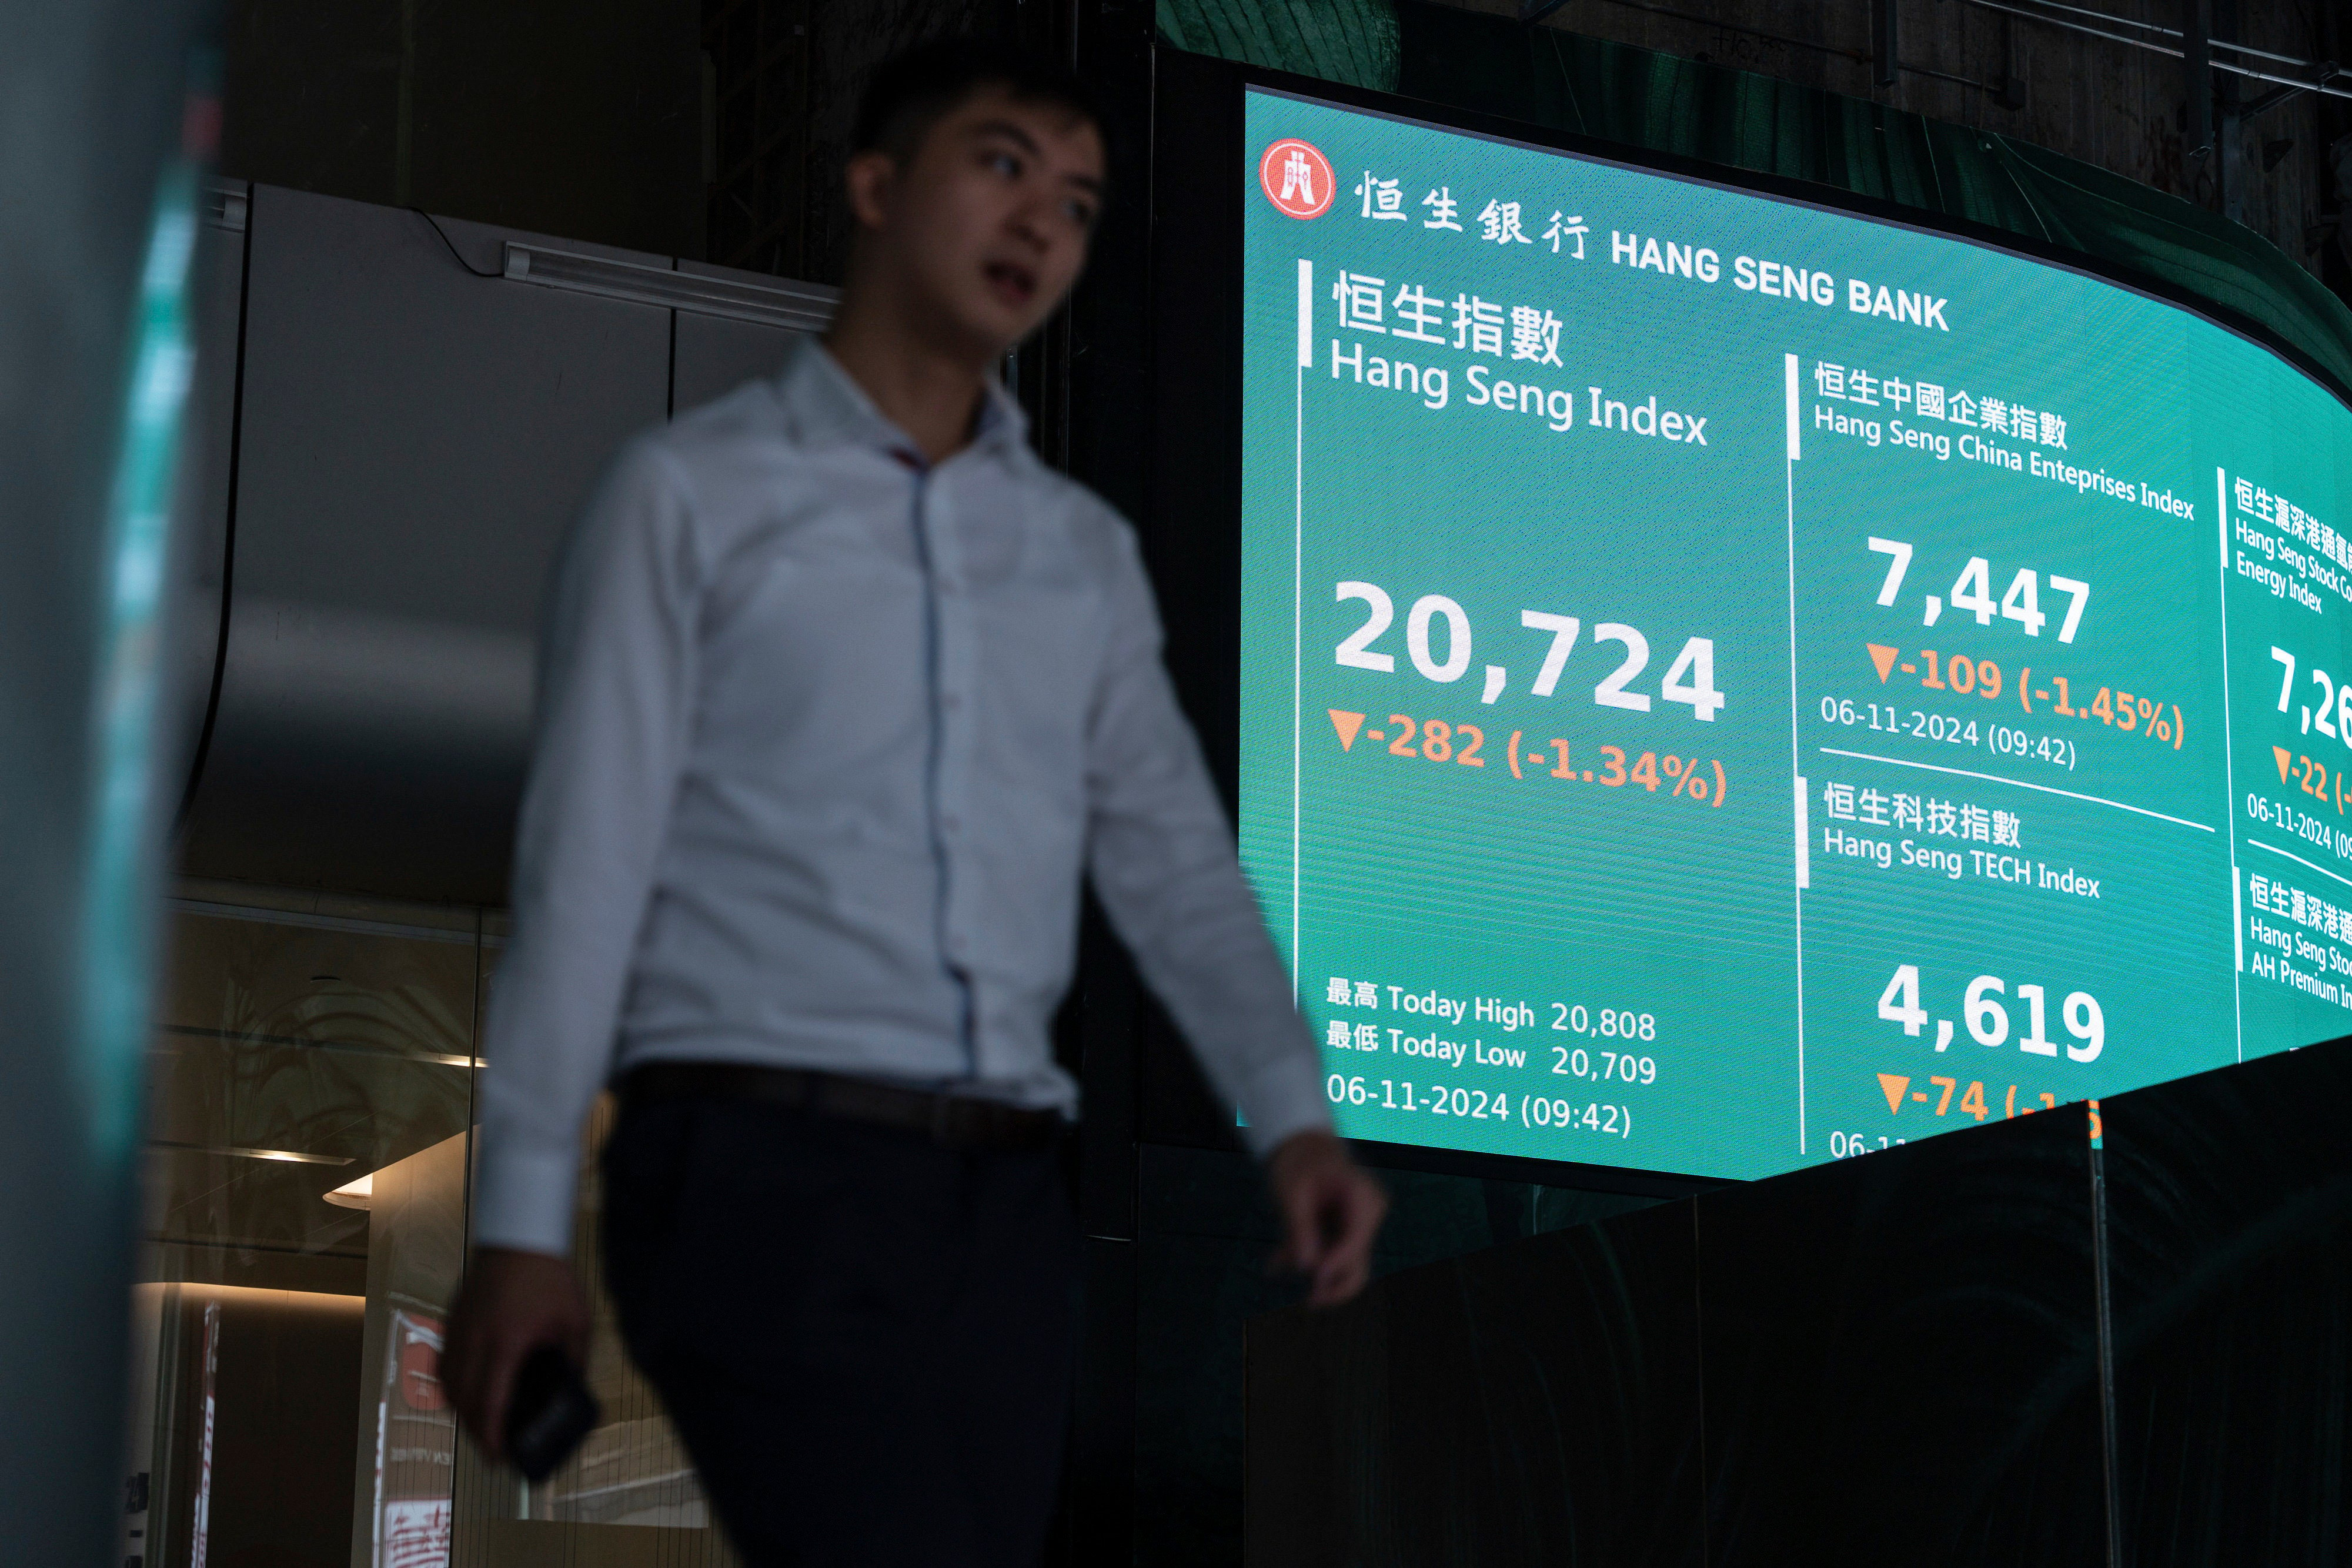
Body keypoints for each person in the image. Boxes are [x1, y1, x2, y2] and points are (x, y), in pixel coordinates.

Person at [439, 36, 1387, 1567]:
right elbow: (585, 866)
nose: (1041, 226)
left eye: (1078, 202)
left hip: (1008, 1211)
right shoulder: (689, 497)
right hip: (756, 1175)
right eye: (1002, 165)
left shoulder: (1077, 553)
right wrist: (520, 1225)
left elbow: (1172, 865)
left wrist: (1292, 1117)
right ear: (875, 186)